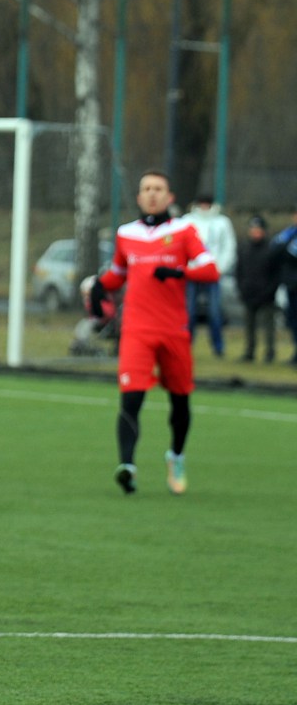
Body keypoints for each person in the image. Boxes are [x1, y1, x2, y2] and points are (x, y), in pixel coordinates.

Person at [89, 170, 219, 497]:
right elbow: (118, 273)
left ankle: (176, 456)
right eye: (146, 188)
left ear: (169, 197)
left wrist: (178, 271)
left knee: (180, 400)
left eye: (158, 188)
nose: (152, 193)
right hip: (137, 329)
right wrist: (99, 286)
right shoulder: (126, 234)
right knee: (131, 397)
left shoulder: (184, 231)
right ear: (138, 196)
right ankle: (127, 466)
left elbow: (210, 269)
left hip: (174, 330)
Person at [180, 193, 236, 357]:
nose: (204, 207)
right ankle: (185, 345)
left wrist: (220, 268)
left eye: (207, 203)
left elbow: (229, 247)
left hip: (212, 275)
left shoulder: (222, 222)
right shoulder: (187, 221)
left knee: (214, 312)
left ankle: (218, 347)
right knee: (189, 312)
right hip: (192, 273)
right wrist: (186, 268)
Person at [235, 215, 279, 363]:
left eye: (258, 230)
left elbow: (276, 274)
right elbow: (239, 270)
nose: (255, 233)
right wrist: (241, 288)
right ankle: (249, 352)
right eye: (253, 229)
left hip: (266, 294)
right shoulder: (244, 248)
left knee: (268, 326)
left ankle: (270, 353)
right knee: (249, 326)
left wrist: (270, 291)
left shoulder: (271, 249)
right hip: (249, 292)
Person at [271, 205, 297, 364]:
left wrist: (286, 249)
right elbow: (274, 248)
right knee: (292, 319)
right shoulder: (289, 233)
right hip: (291, 284)